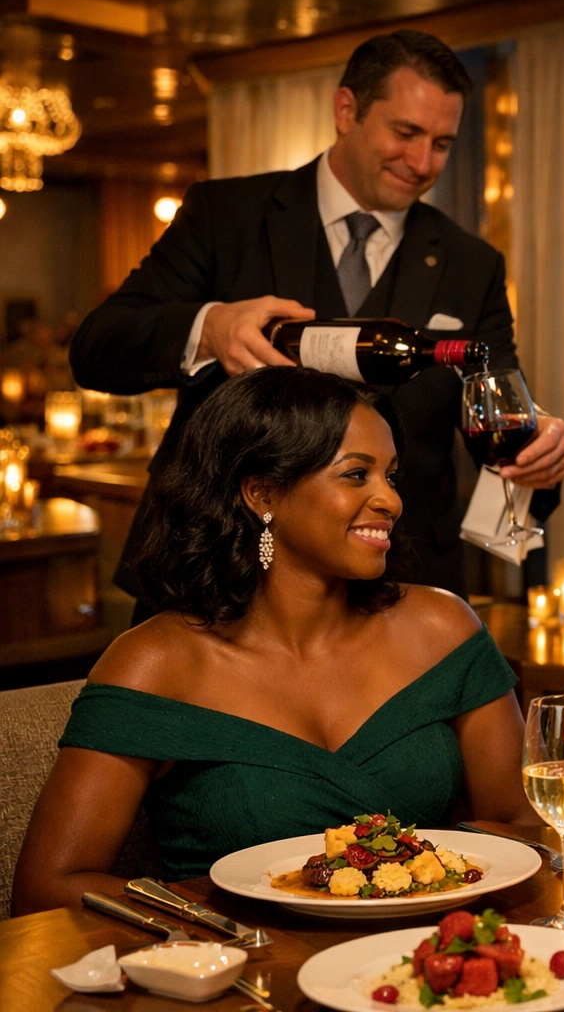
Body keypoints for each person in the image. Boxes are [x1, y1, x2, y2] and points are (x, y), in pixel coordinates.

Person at [69, 29, 564, 612]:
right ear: (346, 109)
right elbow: (96, 347)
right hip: (222, 573)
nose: (421, 162)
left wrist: (540, 456)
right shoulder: (227, 216)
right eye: (405, 133)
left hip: (399, 585)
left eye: (441, 143)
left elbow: (502, 416)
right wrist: (208, 327)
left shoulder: (470, 263)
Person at [11, 368, 532, 915]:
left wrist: (422, 873)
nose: (391, 502)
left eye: (391, 477)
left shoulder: (442, 629)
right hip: (246, 974)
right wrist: (216, 915)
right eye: (356, 475)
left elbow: (524, 824)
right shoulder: (154, 663)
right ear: (262, 492)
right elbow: (47, 887)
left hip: (422, 965)